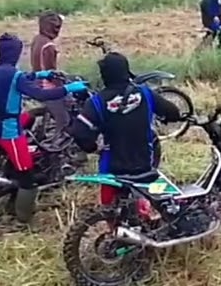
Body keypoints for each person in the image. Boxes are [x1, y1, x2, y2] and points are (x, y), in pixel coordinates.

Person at [0, 33, 89, 222]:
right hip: (9, 130)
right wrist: (69, 88)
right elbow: (40, 95)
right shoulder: (14, 75)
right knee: (28, 179)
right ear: (16, 53)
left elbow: (22, 79)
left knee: (31, 118)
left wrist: (41, 74)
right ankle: (24, 219)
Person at [68, 51, 185, 216]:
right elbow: (173, 112)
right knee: (143, 207)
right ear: (126, 72)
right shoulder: (145, 93)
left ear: (104, 75)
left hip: (112, 169)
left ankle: (114, 233)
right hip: (144, 165)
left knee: (109, 212)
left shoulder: (97, 102)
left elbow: (79, 132)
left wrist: (92, 147)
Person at [29, 11, 71, 148]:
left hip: (36, 83)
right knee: (64, 120)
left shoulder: (37, 39)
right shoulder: (49, 47)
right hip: (48, 88)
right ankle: (55, 148)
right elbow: (52, 74)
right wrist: (65, 88)